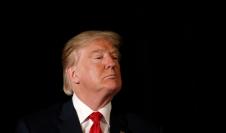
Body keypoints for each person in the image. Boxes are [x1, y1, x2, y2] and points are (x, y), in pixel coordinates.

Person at [15, 30, 160, 133]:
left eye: (115, 57)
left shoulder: (144, 128)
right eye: (98, 57)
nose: (111, 63)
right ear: (74, 74)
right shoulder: (34, 127)